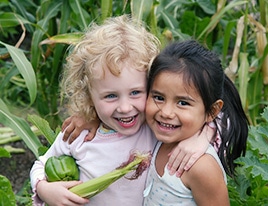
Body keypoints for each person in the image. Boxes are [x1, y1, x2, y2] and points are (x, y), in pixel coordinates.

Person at [30, 16, 213, 206]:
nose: (125, 108)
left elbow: (219, 116)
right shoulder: (80, 135)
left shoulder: (156, 128)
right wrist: (44, 189)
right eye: (110, 96)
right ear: (89, 97)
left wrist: (203, 135)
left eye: (136, 92)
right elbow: (41, 165)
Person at [143, 40, 248, 205]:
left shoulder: (201, 167)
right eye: (158, 97)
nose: (166, 112)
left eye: (183, 103)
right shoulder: (156, 138)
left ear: (212, 111)